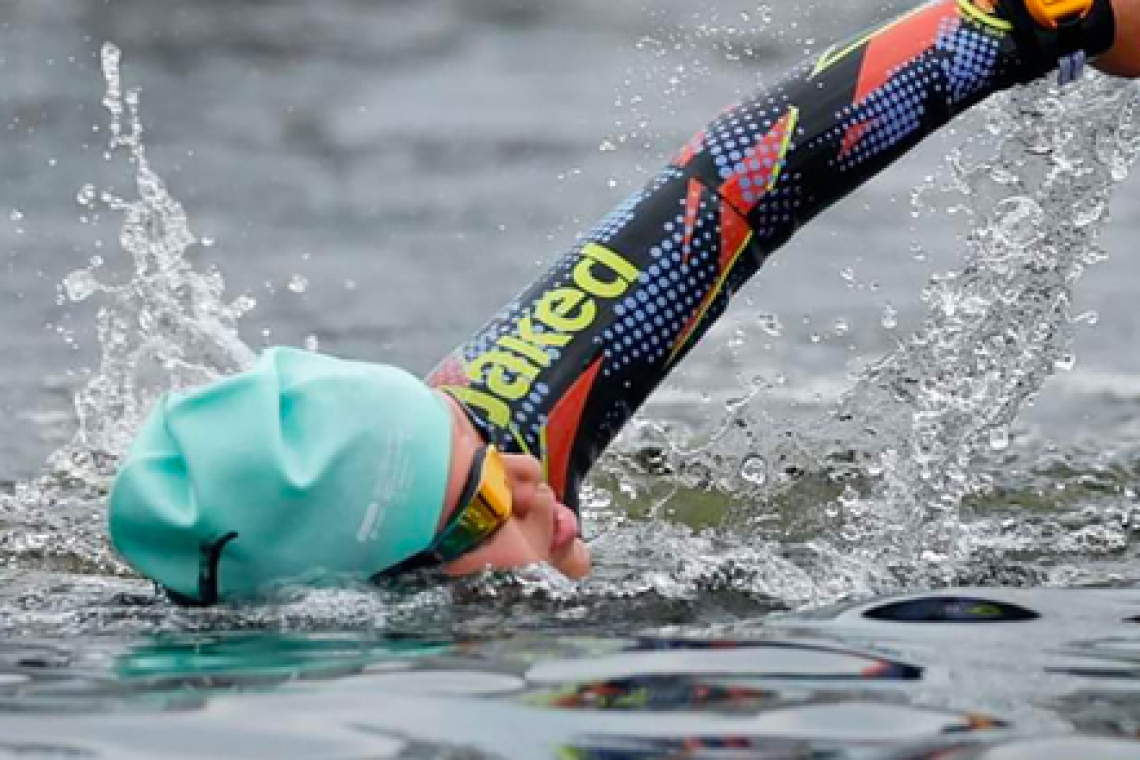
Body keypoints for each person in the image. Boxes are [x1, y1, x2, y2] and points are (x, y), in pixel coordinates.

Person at [108, 0, 1140, 605]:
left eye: (469, 435)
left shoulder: (499, 465)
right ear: (368, 593)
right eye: (475, 498)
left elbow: (736, 182)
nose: (519, 470)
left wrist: (1030, 18)